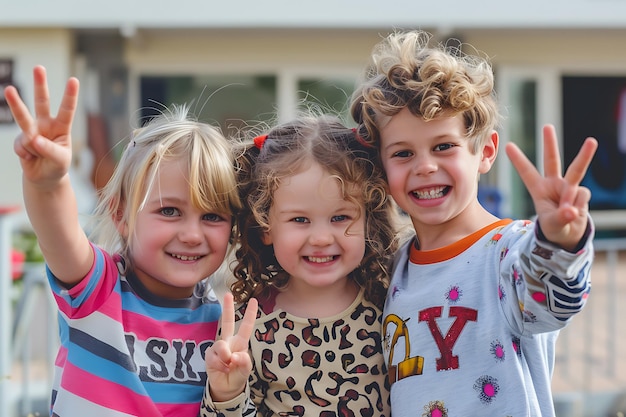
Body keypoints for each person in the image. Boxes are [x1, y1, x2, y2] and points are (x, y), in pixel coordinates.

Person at [349, 30, 598, 416]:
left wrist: (558, 241)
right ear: (381, 169)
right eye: (402, 153)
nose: (425, 166)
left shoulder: (510, 250)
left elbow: (552, 302)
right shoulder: (393, 267)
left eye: (443, 146)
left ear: (484, 151)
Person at [4, 65, 256, 417]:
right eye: (170, 211)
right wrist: (47, 184)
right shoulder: (97, 289)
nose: (191, 234)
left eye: (212, 216)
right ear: (121, 216)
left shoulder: (223, 325)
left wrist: (228, 393)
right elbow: (58, 234)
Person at [199, 113, 399, 416]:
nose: (320, 238)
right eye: (300, 220)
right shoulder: (247, 324)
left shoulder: (392, 306)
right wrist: (226, 392)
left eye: (340, 217)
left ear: (367, 220)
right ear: (266, 227)